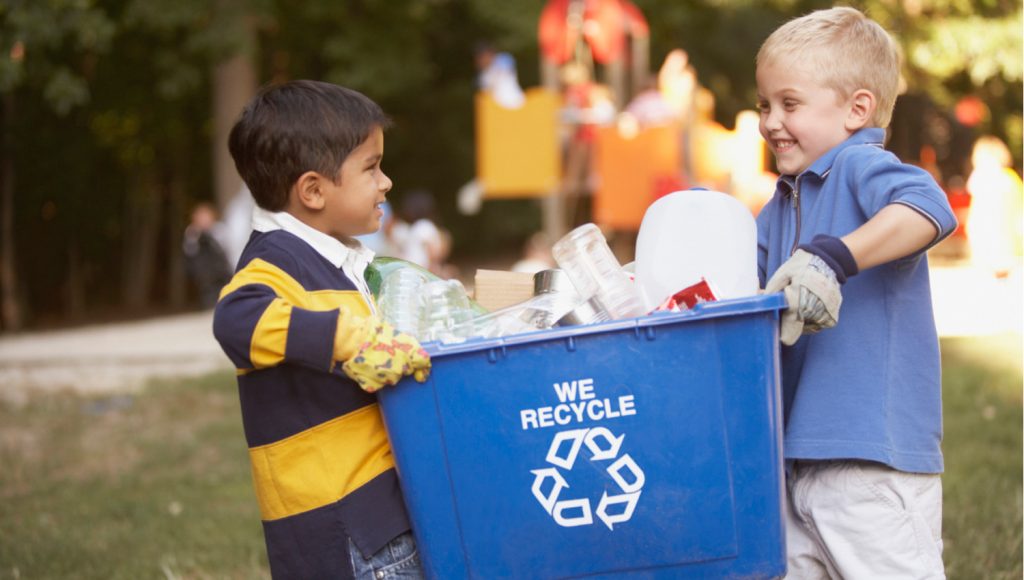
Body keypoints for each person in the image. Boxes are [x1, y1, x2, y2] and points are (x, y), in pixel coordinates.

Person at [754, 8, 957, 578]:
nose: (771, 121)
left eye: (789, 104)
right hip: (797, 462)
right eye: (764, 105)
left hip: (872, 458)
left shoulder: (859, 166)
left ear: (856, 109)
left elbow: (928, 211)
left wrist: (836, 258)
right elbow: (734, 289)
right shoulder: (778, 206)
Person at [212, 80, 431, 580]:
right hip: (351, 532)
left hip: (378, 516)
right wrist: (351, 340)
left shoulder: (338, 262)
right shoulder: (274, 267)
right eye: (371, 168)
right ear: (312, 190)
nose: (386, 182)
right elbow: (235, 319)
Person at [182, 202, 232, 308]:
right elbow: (190, 253)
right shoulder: (192, 233)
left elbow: (227, 249)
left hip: (223, 271)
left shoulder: (219, 230)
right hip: (206, 276)